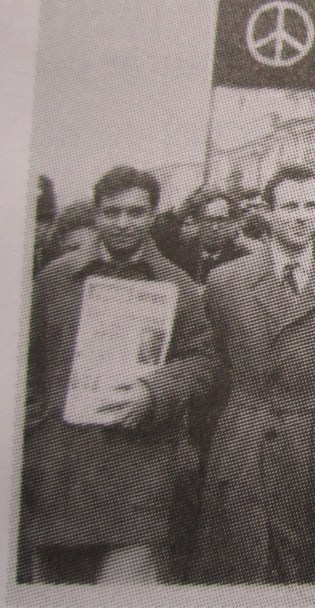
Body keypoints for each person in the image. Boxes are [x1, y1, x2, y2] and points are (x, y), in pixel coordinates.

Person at [24, 166, 215, 584]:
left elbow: (202, 363)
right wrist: (37, 429)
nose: (123, 223)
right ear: (96, 214)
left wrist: (153, 392)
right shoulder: (55, 280)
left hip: (136, 469)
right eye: (112, 212)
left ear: (152, 215)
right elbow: (25, 362)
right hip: (62, 470)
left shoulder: (177, 285)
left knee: (126, 591)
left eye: (136, 212)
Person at [194, 166, 315, 584]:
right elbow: (214, 364)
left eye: (310, 205)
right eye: (290, 206)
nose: (301, 216)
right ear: (269, 212)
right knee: (245, 563)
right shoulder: (226, 281)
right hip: (248, 432)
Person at [176, 191, 248, 284]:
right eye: (209, 220)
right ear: (200, 222)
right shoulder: (183, 254)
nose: (214, 227)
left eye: (221, 220)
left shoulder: (240, 259)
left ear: (231, 223)